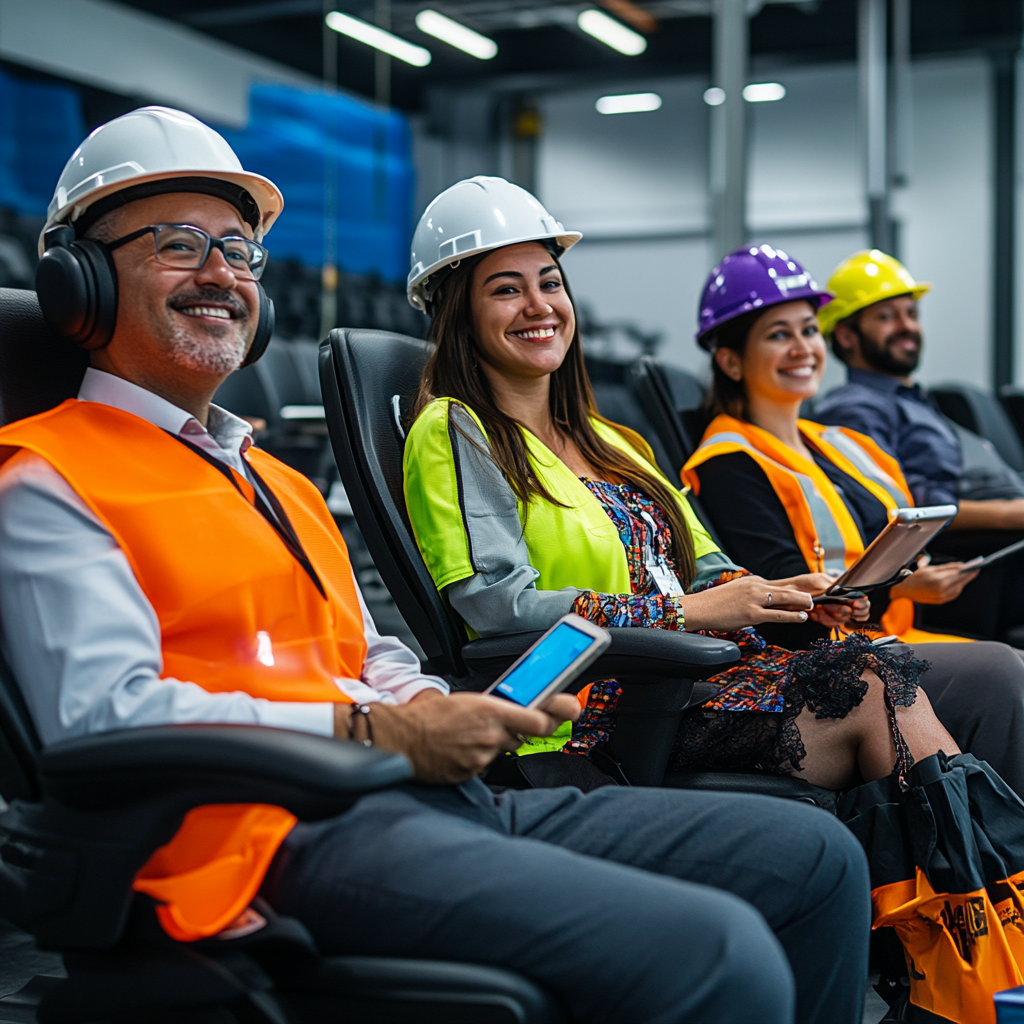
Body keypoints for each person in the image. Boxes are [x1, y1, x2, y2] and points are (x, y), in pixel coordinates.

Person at [0, 112, 871, 1024]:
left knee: (815, 860)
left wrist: (426, 706)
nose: (222, 272)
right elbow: (102, 725)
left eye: (241, 251)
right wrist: (374, 733)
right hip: (263, 847)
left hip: (418, 795)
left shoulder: (277, 481)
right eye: (181, 245)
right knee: (718, 955)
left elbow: (368, 650)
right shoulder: (49, 479)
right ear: (80, 280)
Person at [402, 177, 973, 804]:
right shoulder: (454, 428)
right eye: (506, 290)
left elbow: (706, 567)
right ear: (458, 310)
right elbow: (497, 606)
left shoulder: (611, 441)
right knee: (876, 689)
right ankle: (969, 895)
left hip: (692, 675)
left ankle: (956, 892)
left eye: (550, 283)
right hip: (592, 711)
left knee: (885, 678)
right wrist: (685, 614)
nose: (539, 305)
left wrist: (781, 598)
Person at [679, 245, 1024, 796]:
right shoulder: (728, 462)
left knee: (1011, 669)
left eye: (809, 330)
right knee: (1005, 673)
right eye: (778, 334)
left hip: (886, 632)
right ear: (730, 360)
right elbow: (782, 596)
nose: (803, 347)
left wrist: (912, 579)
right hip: (832, 652)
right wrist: (900, 589)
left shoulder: (841, 445)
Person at [813, 249, 1024, 638]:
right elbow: (903, 509)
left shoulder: (911, 399)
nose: (906, 325)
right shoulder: (853, 409)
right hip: (964, 564)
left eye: (911, 314)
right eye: (886, 317)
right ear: (845, 334)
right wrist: (1015, 514)